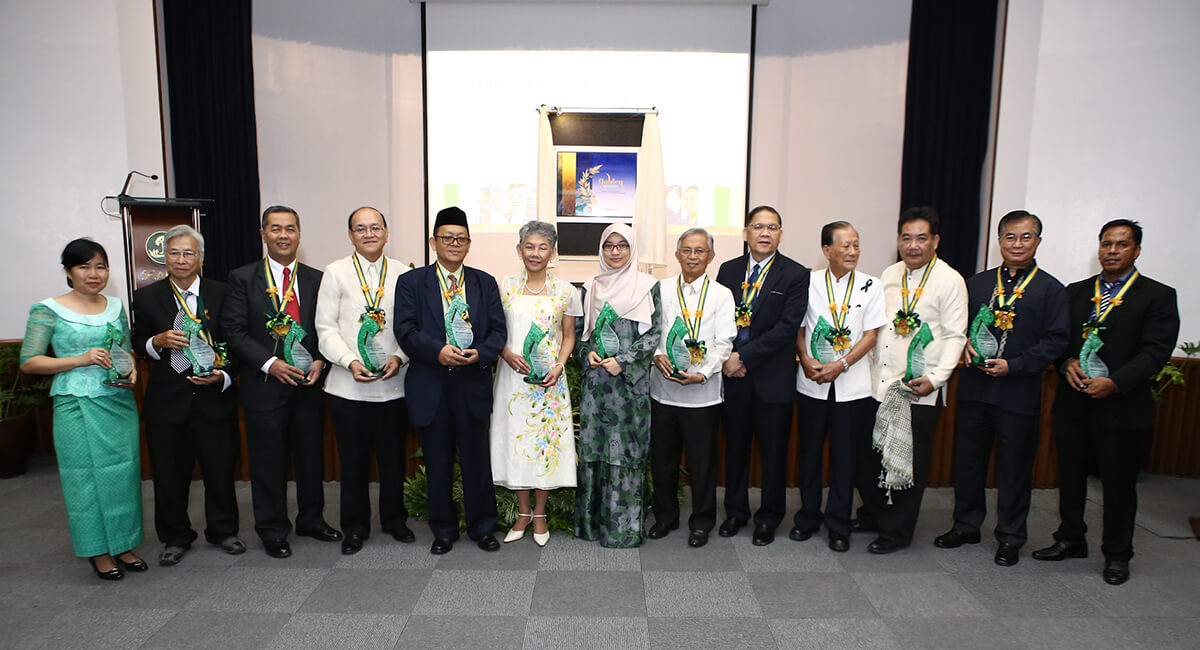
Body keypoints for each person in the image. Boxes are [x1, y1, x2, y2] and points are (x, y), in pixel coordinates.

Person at [1033, 219, 1179, 585]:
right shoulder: (1077, 292)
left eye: (1121, 244)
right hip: (1074, 402)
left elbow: (1156, 351)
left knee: (1118, 485)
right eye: (1106, 244)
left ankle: (1117, 554)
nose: (1112, 251)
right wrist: (1065, 362)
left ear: (1136, 250)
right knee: (1070, 478)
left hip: (1120, 406)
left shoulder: (1157, 296)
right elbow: (1059, 338)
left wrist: (1115, 383)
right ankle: (1070, 538)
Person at [933, 210, 1068, 567]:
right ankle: (965, 525)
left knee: (1015, 468)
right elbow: (956, 326)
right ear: (999, 241)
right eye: (1010, 237)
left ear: (1038, 241)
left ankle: (1010, 536)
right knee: (968, 462)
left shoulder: (1051, 289)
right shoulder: (977, 284)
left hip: (1018, 393)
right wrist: (963, 343)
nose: (1017, 244)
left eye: (1025, 237)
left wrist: (1016, 365)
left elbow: (1056, 341)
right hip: (974, 390)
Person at [20, 238, 147, 580]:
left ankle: (123, 544)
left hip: (117, 401)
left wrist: (132, 370)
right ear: (68, 271)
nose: (94, 274)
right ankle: (98, 551)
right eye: (84, 266)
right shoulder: (47, 309)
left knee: (122, 474)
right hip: (75, 402)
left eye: (100, 266)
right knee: (84, 478)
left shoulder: (115, 306)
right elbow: (30, 362)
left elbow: (123, 350)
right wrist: (80, 359)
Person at [222, 205, 339, 559]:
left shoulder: (317, 279)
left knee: (311, 457)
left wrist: (320, 359)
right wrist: (270, 364)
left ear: (299, 235)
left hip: (308, 383)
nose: (283, 235)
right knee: (268, 462)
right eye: (276, 229)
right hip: (265, 385)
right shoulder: (243, 278)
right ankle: (272, 529)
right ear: (263, 234)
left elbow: (325, 327)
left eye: (290, 229)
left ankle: (311, 520)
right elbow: (234, 330)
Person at [394, 206, 506, 555]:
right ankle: (443, 530)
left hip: (472, 383)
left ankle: (482, 527)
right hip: (431, 384)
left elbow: (498, 332)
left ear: (469, 244)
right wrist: (437, 351)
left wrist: (481, 353)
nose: (454, 244)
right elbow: (405, 330)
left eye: (461, 239)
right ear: (434, 242)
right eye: (447, 238)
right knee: (438, 461)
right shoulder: (412, 282)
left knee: (476, 461)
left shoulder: (484, 282)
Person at [132, 225, 245, 566]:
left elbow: (236, 341)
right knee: (169, 476)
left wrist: (224, 375)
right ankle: (175, 536)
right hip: (168, 403)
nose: (181, 260)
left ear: (201, 258)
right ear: (164, 257)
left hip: (214, 400)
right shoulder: (147, 297)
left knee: (220, 472)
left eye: (188, 253)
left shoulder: (222, 293)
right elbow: (137, 343)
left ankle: (223, 531)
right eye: (174, 253)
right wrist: (157, 341)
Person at [859, 206, 967, 554]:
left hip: (918, 388)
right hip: (880, 385)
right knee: (873, 455)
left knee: (907, 459)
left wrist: (936, 379)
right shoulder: (890, 274)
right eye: (906, 238)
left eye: (922, 238)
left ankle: (897, 531)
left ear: (936, 241)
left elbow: (955, 336)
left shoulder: (950, 280)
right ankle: (874, 515)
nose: (913, 245)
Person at [315, 207, 414, 556]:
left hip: (394, 385)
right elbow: (325, 327)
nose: (368, 234)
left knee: (393, 461)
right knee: (353, 463)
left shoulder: (403, 273)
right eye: (360, 228)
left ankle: (394, 520)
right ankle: (355, 527)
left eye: (375, 227)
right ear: (350, 235)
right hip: (348, 387)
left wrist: (399, 357)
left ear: (386, 232)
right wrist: (349, 361)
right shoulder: (335, 272)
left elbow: (411, 327)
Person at [715, 205, 808, 546]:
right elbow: (718, 318)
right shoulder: (728, 270)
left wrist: (743, 357)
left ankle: (769, 518)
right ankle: (736, 512)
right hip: (734, 377)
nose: (765, 233)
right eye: (758, 226)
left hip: (772, 378)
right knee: (735, 449)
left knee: (773, 453)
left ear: (780, 234)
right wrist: (728, 358)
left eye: (772, 227)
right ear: (746, 233)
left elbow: (787, 328)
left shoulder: (795, 274)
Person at [791, 222, 886, 553]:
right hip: (812, 381)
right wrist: (804, 358)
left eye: (856, 245)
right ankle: (808, 517)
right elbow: (799, 327)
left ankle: (838, 525)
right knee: (810, 455)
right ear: (826, 250)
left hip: (852, 386)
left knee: (845, 459)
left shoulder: (872, 285)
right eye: (845, 245)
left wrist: (842, 364)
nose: (852, 251)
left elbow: (871, 335)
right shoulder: (808, 282)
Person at [491, 220, 581, 548]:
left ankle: (540, 514)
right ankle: (523, 513)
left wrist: (559, 365)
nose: (535, 253)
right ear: (519, 250)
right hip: (512, 379)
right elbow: (495, 331)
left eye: (543, 247)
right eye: (529, 246)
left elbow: (568, 336)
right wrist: (505, 353)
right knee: (516, 443)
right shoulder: (505, 286)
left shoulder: (566, 291)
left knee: (545, 446)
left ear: (552, 252)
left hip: (549, 383)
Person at [647, 228, 736, 548]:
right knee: (663, 462)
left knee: (702, 464)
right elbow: (651, 330)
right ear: (677, 255)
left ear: (710, 256)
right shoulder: (661, 288)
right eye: (687, 250)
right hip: (663, 391)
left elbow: (725, 341)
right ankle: (666, 517)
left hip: (703, 395)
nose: (693, 257)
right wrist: (657, 355)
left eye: (700, 251)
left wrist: (705, 373)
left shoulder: (722, 294)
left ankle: (701, 522)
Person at [575, 223, 661, 548]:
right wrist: (588, 353)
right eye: (609, 245)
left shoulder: (648, 287)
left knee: (626, 451)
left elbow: (655, 334)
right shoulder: (590, 287)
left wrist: (623, 361)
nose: (615, 251)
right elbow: (580, 334)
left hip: (629, 388)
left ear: (632, 249)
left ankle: (622, 530)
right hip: (597, 387)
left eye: (622, 245)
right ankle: (591, 526)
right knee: (595, 450)